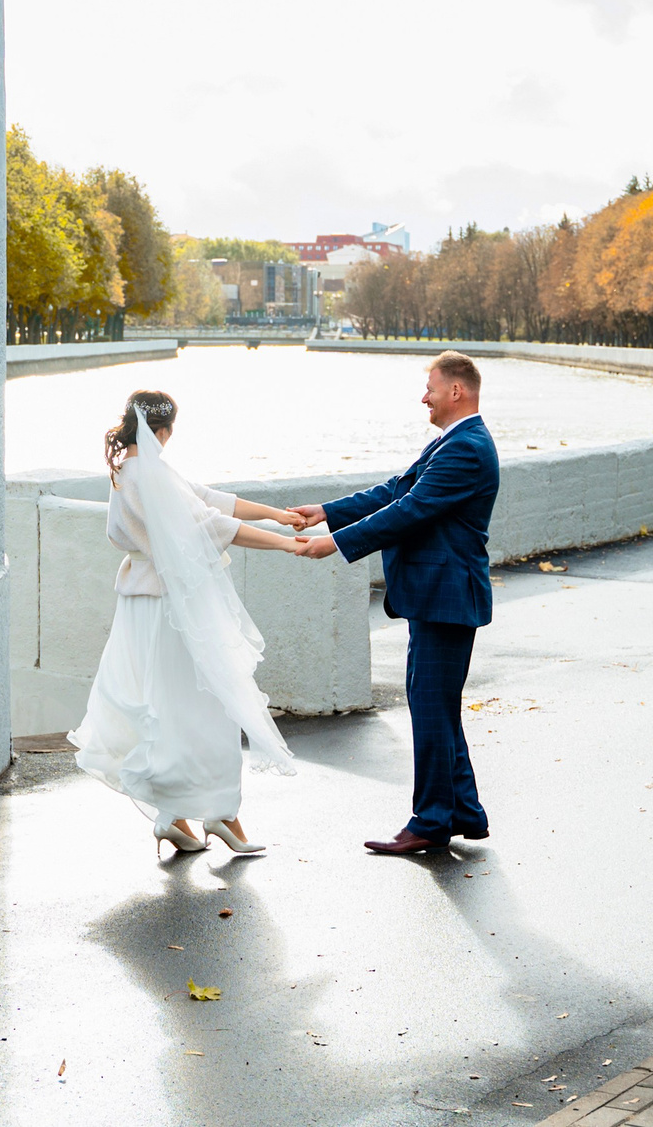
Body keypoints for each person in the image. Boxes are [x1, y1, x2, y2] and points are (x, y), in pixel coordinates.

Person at [69, 390, 317, 857]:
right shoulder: (150, 472)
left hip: (140, 605)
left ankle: (173, 817)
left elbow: (204, 498)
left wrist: (276, 514)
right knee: (208, 705)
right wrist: (285, 543)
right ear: (163, 429)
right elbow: (209, 522)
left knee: (159, 707)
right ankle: (222, 815)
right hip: (172, 609)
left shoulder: (129, 469)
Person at [292, 350, 500, 855]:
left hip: (445, 597)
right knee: (437, 707)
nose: (422, 396)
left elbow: (411, 510)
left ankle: (430, 822)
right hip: (438, 596)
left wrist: (336, 545)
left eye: (430, 387)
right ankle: (464, 811)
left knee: (431, 707)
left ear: (456, 391)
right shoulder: (452, 443)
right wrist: (326, 512)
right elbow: (396, 489)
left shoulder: (466, 448)